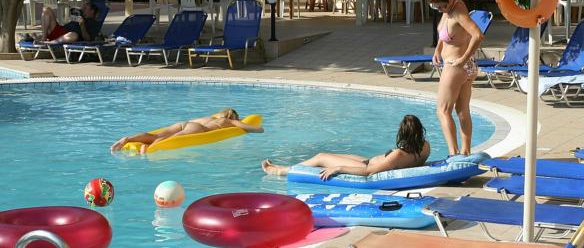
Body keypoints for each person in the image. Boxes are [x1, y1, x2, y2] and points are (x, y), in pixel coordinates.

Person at [261, 115, 430, 180]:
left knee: (321, 157)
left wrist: (339, 168)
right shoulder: (425, 146)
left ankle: (282, 171)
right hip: (367, 161)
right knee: (334, 155)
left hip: (366, 166)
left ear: (402, 133)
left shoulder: (399, 154)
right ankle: (286, 168)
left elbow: (369, 172)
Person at [427, 0, 484, 156]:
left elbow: (478, 35)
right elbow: (444, 33)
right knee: (462, 111)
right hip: (466, 68)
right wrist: (438, 50)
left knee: (442, 110)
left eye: (442, 6)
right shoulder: (451, 7)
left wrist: (462, 58)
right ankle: (466, 152)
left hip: (456, 66)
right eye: (436, 7)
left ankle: (454, 153)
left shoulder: (458, 12)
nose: (440, 10)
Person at [110, 108, 264, 153]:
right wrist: (258, 129)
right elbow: (253, 128)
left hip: (186, 123)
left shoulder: (209, 117)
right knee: (171, 139)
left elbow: (192, 121)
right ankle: (147, 149)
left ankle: (128, 139)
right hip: (198, 128)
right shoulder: (228, 121)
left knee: (155, 135)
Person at [27, 1, 101, 44]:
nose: (82, 9)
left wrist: (82, 26)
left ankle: (48, 43)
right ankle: (43, 38)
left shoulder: (94, 23)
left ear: (92, 11)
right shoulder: (80, 15)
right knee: (47, 10)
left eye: (85, 8)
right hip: (60, 30)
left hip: (67, 37)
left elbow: (88, 39)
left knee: (74, 35)